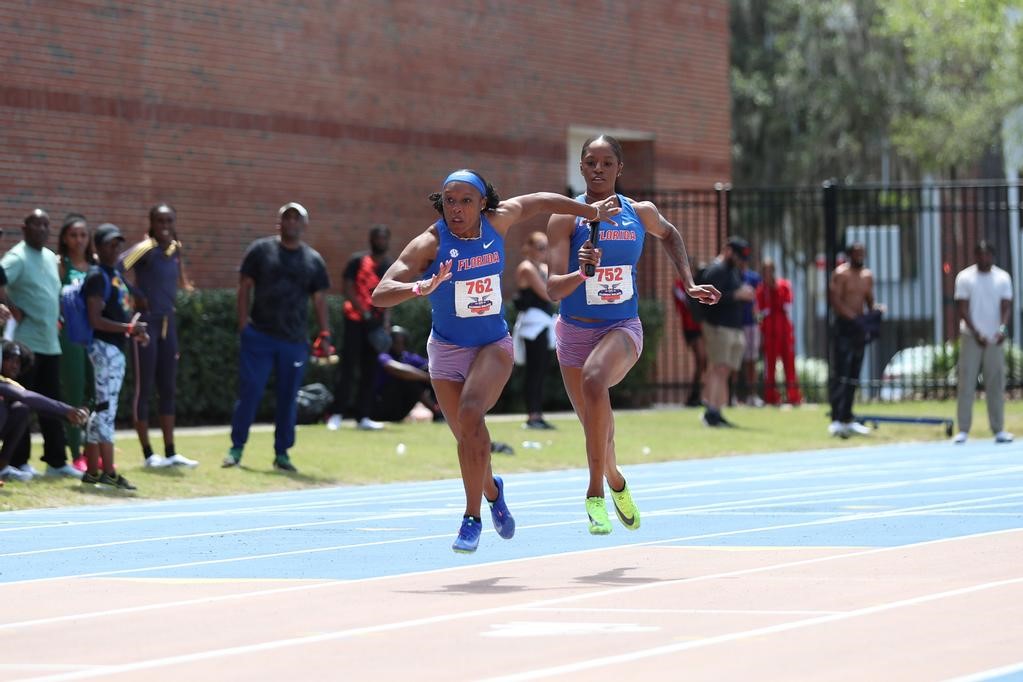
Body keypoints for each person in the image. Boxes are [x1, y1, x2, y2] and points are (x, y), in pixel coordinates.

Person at [372, 168, 623, 553]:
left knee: (472, 415)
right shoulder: (429, 242)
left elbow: (541, 201)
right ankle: (491, 491)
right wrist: (418, 287)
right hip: (446, 350)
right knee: (467, 439)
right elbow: (381, 292)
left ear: (483, 203)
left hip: (492, 344)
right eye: (449, 201)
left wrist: (588, 212)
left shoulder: (498, 220)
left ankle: (471, 518)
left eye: (465, 201)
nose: (455, 209)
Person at [546, 135, 720, 535]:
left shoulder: (639, 213)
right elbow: (553, 288)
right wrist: (581, 272)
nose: (599, 170)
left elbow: (672, 234)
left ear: (619, 169)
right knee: (596, 430)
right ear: (581, 168)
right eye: (591, 162)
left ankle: (593, 495)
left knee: (595, 380)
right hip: (574, 333)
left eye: (607, 163)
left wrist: (690, 283)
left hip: (621, 328)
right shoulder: (563, 218)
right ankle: (615, 479)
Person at [222, 202, 331, 473]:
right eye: (287, 217)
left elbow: (319, 300)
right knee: (251, 392)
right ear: (279, 223)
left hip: (294, 342)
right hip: (259, 336)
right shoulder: (261, 251)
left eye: (297, 218)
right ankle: (236, 449)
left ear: (304, 225)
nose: (291, 222)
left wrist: (325, 333)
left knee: (288, 398)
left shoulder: (313, 260)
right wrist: (243, 324)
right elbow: (244, 286)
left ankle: (282, 454)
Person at [0, 209, 81, 479]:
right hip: (24, 346)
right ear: (24, 228)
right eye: (36, 225)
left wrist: (57, 316)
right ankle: (18, 462)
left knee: (51, 403)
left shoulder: (49, 257)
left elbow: (50, 294)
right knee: (21, 405)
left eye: (46, 224)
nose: (42, 229)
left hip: (50, 344)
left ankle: (57, 461)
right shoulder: (17, 256)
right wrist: (9, 305)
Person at [120, 203, 198, 469]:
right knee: (144, 388)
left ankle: (171, 451)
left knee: (168, 388)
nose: (164, 226)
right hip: (145, 324)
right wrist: (136, 294)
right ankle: (147, 455)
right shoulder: (145, 248)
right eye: (160, 221)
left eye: (169, 221)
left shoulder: (175, 248)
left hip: (168, 323)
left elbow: (177, 280)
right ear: (152, 223)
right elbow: (116, 267)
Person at [81, 223, 150, 491]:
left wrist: (133, 332)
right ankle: (108, 473)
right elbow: (95, 319)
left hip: (116, 348)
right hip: (104, 348)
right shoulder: (97, 275)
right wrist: (129, 329)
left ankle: (93, 472)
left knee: (101, 410)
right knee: (106, 411)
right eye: (109, 243)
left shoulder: (115, 274)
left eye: (118, 243)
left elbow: (119, 314)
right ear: (97, 247)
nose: (115, 248)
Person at [326, 225, 392, 432]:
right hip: (355, 320)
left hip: (376, 324)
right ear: (371, 239)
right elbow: (347, 288)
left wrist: (386, 322)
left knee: (370, 370)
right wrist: (363, 311)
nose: (380, 241)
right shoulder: (358, 260)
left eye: (384, 238)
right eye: (377, 237)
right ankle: (336, 414)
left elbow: (390, 294)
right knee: (348, 368)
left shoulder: (389, 266)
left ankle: (363, 416)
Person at [0, 341, 89, 481]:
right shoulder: (3, 383)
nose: (15, 366)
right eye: (10, 360)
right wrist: (66, 410)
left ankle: (1, 469)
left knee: (21, 409)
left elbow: (35, 405)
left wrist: (67, 416)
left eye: (18, 362)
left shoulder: (10, 383)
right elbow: (25, 396)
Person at [953, 241, 1013, 444]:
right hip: (972, 337)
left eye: (987, 255)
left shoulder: (1002, 277)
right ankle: (963, 429)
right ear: (975, 256)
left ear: (992, 257)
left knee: (996, 383)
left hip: (995, 337)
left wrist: (1002, 329)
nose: (984, 258)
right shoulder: (965, 277)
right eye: (980, 254)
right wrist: (976, 332)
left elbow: (1006, 307)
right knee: (966, 382)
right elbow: (962, 308)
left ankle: (998, 428)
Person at [697, 236, 754, 428]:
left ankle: (717, 410)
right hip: (719, 326)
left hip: (733, 327)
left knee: (725, 370)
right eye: (737, 256)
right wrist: (737, 294)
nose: (740, 261)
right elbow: (708, 299)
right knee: (718, 368)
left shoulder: (732, 271)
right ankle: (710, 412)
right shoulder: (717, 270)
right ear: (728, 250)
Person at [828, 242, 881, 437]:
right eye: (856, 253)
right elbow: (835, 300)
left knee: (854, 373)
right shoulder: (841, 274)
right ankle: (836, 418)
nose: (860, 256)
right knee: (841, 372)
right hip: (845, 327)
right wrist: (852, 317)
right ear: (849, 255)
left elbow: (869, 300)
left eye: (862, 253)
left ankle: (848, 417)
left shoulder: (867, 275)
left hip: (860, 328)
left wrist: (875, 309)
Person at [56, 213, 95, 471]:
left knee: (96, 393)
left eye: (83, 235)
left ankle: (92, 448)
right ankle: (75, 453)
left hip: (95, 338)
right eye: (73, 235)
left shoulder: (95, 265)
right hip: (70, 339)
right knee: (73, 393)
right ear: (65, 239)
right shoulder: (61, 265)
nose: (79, 240)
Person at [512, 231, 556, 429]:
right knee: (533, 371)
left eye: (546, 247)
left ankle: (539, 414)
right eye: (540, 247)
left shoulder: (545, 268)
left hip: (546, 322)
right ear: (528, 248)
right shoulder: (527, 268)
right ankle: (532, 416)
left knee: (542, 370)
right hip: (532, 324)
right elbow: (548, 293)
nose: (543, 252)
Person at [367, 325, 442, 423]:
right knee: (409, 379)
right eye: (396, 342)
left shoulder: (406, 356)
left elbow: (429, 366)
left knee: (430, 370)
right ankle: (437, 412)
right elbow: (394, 369)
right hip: (380, 407)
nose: (399, 345)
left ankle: (443, 408)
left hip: (399, 410)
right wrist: (426, 378)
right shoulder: (384, 355)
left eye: (402, 342)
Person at [756, 258, 802, 406]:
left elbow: (788, 304)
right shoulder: (761, 289)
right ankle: (771, 397)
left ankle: (793, 396)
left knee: (789, 364)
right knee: (770, 366)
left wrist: (775, 289)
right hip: (769, 333)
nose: (767, 274)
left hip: (784, 331)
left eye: (770, 270)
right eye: (765, 271)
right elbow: (760, 312)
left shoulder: (783, 285)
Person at [672, 274, 707, 407]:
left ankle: (696, 394)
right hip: (690, 327)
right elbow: (685, 303)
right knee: (701, 359)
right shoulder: (679, 285)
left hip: (700, 326)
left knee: (704, 362)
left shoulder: (699, 283)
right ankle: (693, 395)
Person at [737, 262, 763, 406]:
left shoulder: (753, 277)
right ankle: (732, 396)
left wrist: (759, 320)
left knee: (751, 360)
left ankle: (752, 395)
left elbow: (759, 302)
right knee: (734, 362)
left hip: (751, 324)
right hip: (736, 324)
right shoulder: (733, 275)